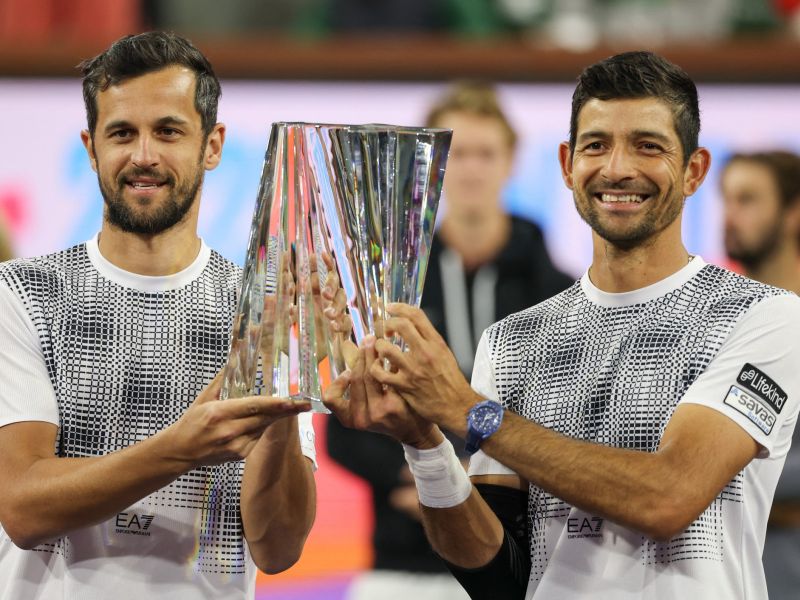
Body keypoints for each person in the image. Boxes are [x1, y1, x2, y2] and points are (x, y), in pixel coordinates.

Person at [325, 51, 800, 599]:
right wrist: (423, 441)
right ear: (566, 164)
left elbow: (667, 496)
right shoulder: (511, 340)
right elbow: (497, 573)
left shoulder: (762, 316)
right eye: (597, 145)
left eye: (648, 145)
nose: (618, 168)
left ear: (694, 171)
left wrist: (466, 410)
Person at [0, 32, 323, 599]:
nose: (143, 156)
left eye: (168, 131)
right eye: (122, 133)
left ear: (213, 145)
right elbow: (23, 508)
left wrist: (278, 405)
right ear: (91, 146)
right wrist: (185, 445)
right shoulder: (20, 294)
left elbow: (278, 548)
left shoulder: (259, 309)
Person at [325, 82, 572, 600]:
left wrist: (482, 484)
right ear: (429, 168)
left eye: (486, 153)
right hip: (402, 563)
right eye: (456, 154)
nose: (471, 169)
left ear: (512, 161)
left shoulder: (563, 294)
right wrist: (418, 476)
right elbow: (347, 424)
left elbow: (575, 424)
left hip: (534, 568)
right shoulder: (386, 290)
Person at [720, 150, 800, 600]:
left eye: (747, 200)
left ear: (793, 213)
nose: (730, 216)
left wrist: (707, 473)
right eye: (727, 199)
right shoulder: (712, 325)